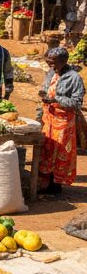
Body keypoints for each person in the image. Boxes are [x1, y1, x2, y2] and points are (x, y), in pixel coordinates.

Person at [37, 47, 84, 196]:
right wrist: (43, 95)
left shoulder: (74, 78)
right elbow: (47, 90)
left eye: (53, 63)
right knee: (46, 150)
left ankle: (56, 185)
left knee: (61, 152)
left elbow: (76, 103)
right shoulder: (52, 72)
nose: (50, 66)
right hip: (48, 119)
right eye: (48, 62)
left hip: (63, 122)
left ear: (63, 61)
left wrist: (56, 99)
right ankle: (45, 182)